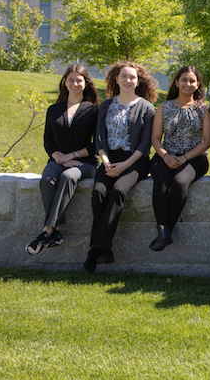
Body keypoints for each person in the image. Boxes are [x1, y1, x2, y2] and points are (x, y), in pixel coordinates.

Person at [85, 61, 157, 272]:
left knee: (118, 191)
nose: (128, 80)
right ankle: (104, 249)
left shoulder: (146, 107)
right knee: (99, 191)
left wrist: (124, 164)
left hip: (135, 161)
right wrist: (106, 162)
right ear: (116, 79)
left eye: (132, 77)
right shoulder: (106, 106)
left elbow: (145, 143)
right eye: (123, 76)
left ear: (138, 80)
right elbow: (99, 137)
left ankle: (95, 250)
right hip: (109, 159)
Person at [26, 65, 99, 255]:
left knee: (68, 177)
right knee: (47, 178)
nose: (75, 83)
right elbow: (48, 140)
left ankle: (47, 230)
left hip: (86, 163)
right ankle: (55, 231)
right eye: (71, 80)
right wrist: (59, 157)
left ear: (85, 83)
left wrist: (72, 156)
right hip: (58, 162)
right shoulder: (54, 109)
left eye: (79, 80)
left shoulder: (94, 110)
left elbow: (97, 145)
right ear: (65, 82)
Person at [149, 66, 210, 251]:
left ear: (198, 84)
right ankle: (163, 230)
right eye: (184, 80)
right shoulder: (164, 107)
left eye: (192, 80)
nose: (188, 84)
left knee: (179, 182)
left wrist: (185, 157)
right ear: (176, 82)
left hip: (194, 158)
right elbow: (155, 138)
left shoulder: (203, 109)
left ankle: (166, 230)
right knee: (161, 180)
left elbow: (208, 141)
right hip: (165, 155)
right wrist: (165, 156)